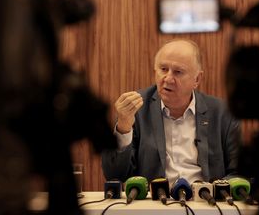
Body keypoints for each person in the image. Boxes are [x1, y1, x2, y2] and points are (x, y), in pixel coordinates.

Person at [102, 39, 241, 186]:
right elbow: (114, 176)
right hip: (153, 204)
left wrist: (218, 190)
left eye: (178, 72)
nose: (168, 78)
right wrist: (123, 128)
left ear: (197, 79)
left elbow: (238, 173)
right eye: (163, 69)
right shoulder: (136, 109)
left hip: (206, 202)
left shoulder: (223, 113)